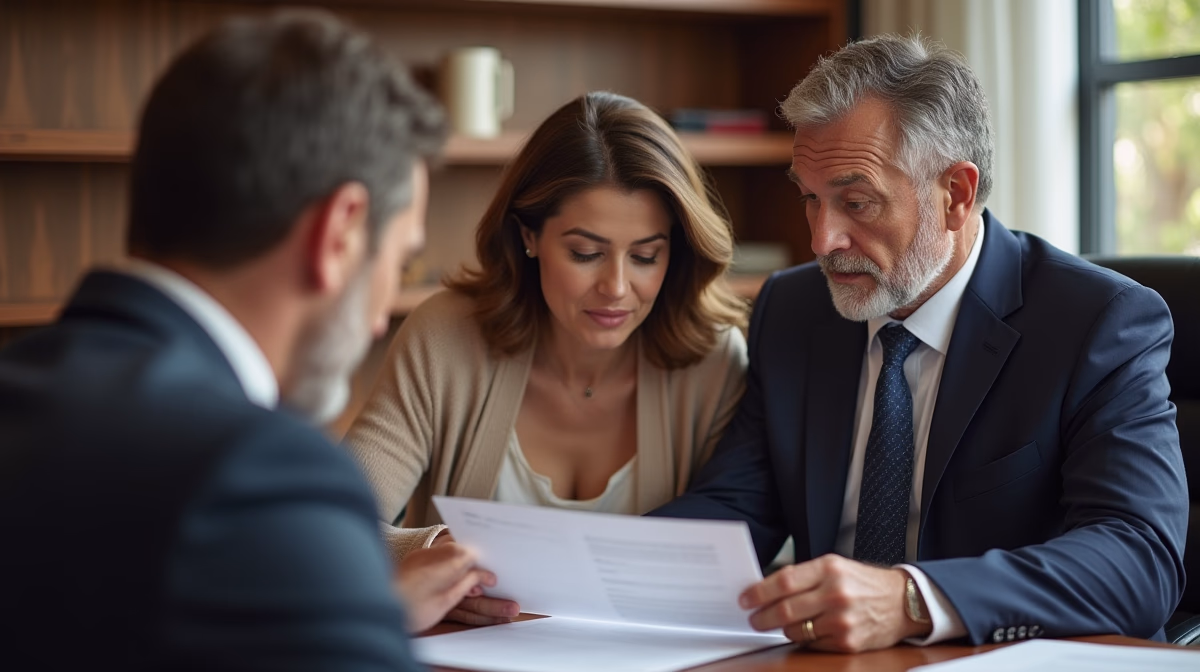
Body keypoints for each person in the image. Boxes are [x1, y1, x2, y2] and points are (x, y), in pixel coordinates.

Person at [651, 34, 1187, 652]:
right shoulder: (794, 309)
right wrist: (560, 575)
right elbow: (736, 508)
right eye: (809, 199)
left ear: (956, 194)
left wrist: (913, 600)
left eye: (857, 202)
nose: (823, 240)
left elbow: (1139, 560)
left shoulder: (1098, 322)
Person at [0, 10, 491, 669]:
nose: (380, 320)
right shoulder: (263, 476)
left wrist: (357, 611)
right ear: (341, 234)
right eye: (398, 261)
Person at [344, 91, 750, 625]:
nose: (617, 288)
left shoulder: (714, 360)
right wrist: (441, 551)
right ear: (529, 234)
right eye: (586, 254)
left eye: (647, 255)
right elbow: (333, 521)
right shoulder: (445, 337)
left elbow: (737, 554)